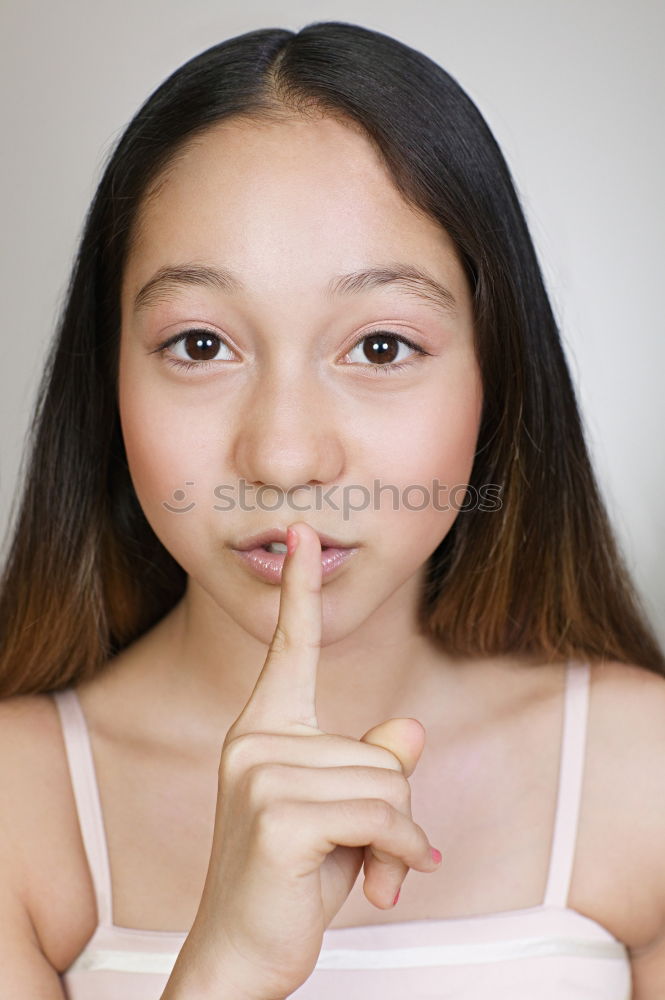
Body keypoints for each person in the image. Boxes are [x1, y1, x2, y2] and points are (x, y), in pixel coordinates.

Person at [0, 19, 663, 1000]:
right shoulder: (20, 806)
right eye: (198, 345)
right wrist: (224, 968)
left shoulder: (642, 770)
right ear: (107, 381)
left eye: (382, 347)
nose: (282, 454)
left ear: (496, 373)